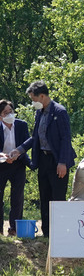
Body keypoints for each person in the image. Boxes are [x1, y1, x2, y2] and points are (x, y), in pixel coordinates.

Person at [9, 81, 76, 237]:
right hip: (43, 161)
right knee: (44, 196)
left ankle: (59, 234)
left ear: (42, 96)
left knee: (57, 198)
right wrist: (19, 150)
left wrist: (62, 162)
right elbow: (35, 137)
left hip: (58, 161)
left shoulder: (59, 112)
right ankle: (47, 234)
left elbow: (66, 138)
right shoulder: (39, 112)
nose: (33, 102)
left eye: (34, 99)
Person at [0, 100, 30, 236]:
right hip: (1, 164)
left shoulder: (22, 125)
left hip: (18, 164)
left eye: (10, 111)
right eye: (5, 112)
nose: (8, 114)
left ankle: (14, 228)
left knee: (17, 197)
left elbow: (27, 144)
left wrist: (17, 154)